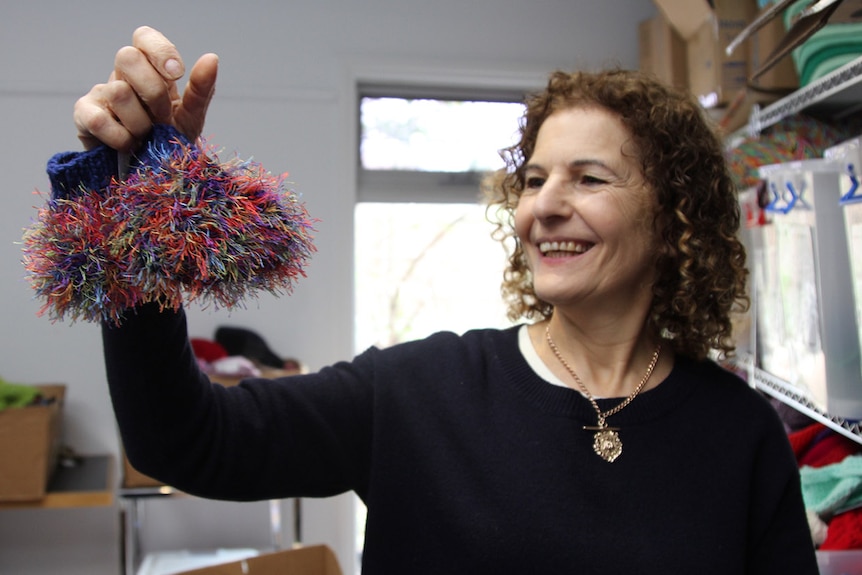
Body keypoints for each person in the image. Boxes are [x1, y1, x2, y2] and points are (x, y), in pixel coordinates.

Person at [51, 26, 818, 574]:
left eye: (588, 178)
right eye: (533, 179)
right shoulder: (417, 392)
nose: (543, 206)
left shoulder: (739, 431)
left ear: (672, 215)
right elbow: (184, 440)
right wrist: (135, 218)